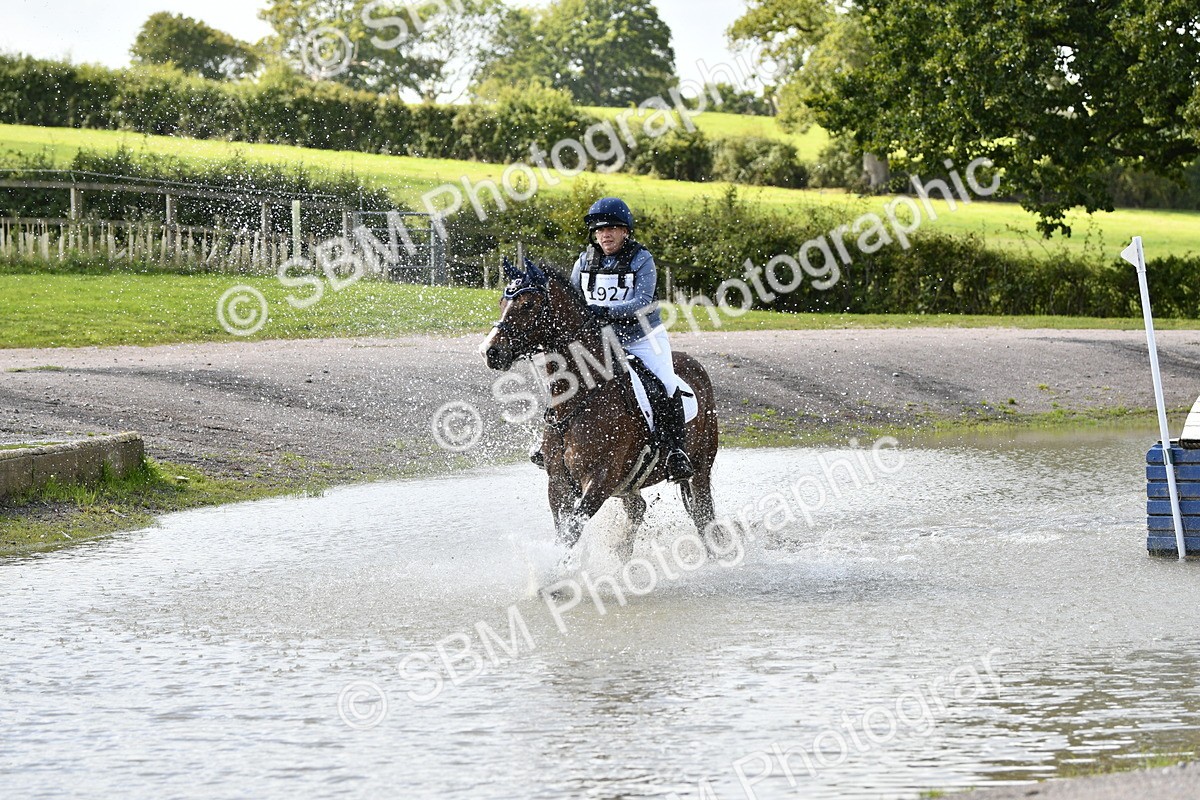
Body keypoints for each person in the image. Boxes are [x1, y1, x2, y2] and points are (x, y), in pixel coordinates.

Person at [533, 197, 694, 482]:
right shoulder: (584, 262)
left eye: (611, 229)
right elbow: (573, 302)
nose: (605, 235)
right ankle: (550, 443)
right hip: (601, 341)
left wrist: (605, 311)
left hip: (642, 338)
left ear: (625, 232)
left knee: (667, 384)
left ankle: (675, 451)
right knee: (564, 380)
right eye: (599, 230)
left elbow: (643, 302)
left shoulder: (641, 259)